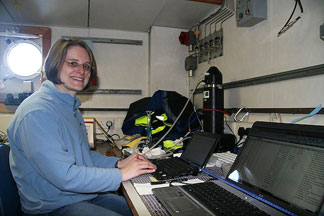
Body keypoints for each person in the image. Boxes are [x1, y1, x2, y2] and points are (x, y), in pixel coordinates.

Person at [7, 38, 156, 216]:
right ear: (55, 64)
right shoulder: (37, 113)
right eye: (73, 63)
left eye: (86, 66)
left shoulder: (70, 108)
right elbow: (65, 177)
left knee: (148, 209)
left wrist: (118, 163)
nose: (81, 71)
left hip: (77, 196)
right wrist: (122, 174)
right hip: (52, 206)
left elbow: (82, 157)